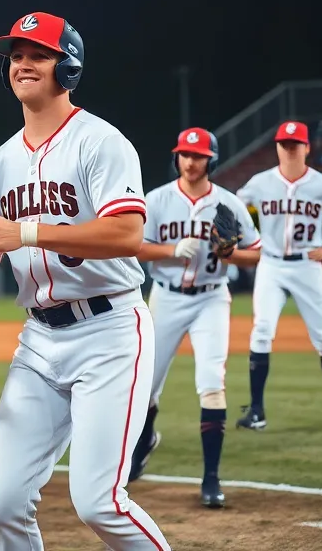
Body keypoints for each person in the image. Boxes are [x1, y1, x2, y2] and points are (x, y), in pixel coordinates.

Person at [0, 12, 171, 550]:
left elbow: (126, 232)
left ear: (70, 67)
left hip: (109, 332)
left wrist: (29, 231)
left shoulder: (99, 141)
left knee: (99, 503)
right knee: (4, 504)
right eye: (15, 55)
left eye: (38, 54)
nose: (22, 64)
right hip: (38, 339)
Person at [130, 127, 262, 509]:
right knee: (145, 387)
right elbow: (135, 247)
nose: (190, 161)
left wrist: (228, 254)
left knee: (211, 382)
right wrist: (171, 249)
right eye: (185, 155)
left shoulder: (228, 204)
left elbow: (256, 253)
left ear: (211, 160)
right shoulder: (155, 200)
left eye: (198, 155)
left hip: (211, 299)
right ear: (177, 158)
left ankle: (211, 478)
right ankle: (144, 441)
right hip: (166, 298)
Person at [235, 121, 322, 431]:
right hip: (271, 264)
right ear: (278, 147)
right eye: (284, 143)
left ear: (307, 148)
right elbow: (234, 208)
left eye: (295, 144)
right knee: (262, 330)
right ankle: (256, 411)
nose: (290, 149)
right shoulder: (260, 182)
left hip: (307, 266)